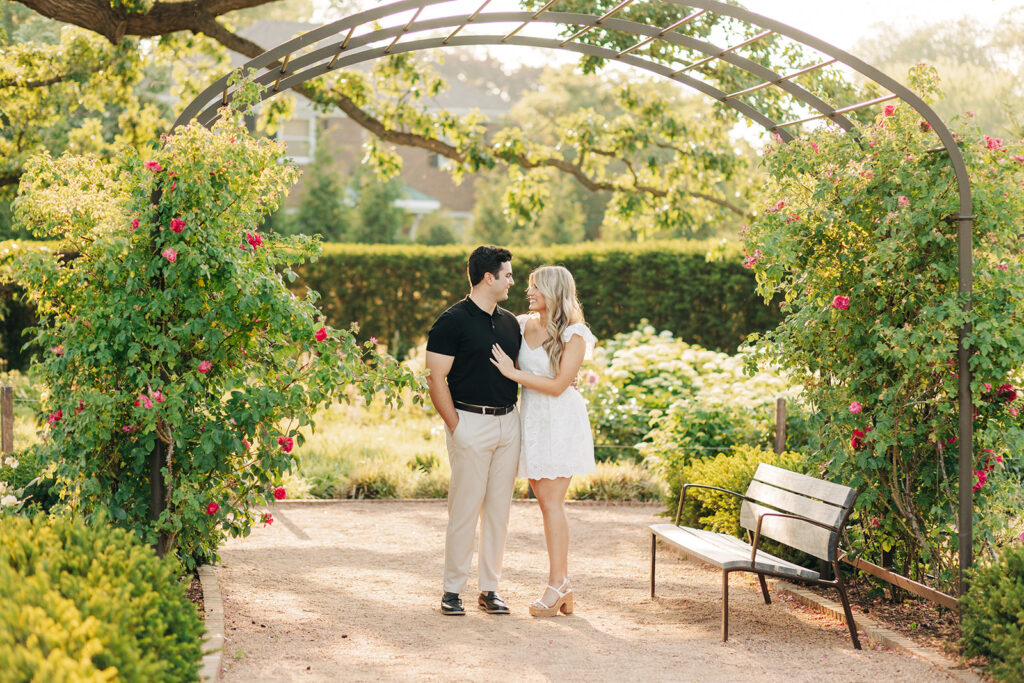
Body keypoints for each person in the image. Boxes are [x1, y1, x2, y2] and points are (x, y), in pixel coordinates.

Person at [489, 265, 596, 617]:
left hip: (560, 420)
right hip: (532, 419)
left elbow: (558, 385)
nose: (528, 292)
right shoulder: (521, 324)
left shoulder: (575, 332)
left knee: (552, 503)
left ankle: (558, 584)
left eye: (535, 287)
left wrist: (512, 373)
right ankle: (561, 586)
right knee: (543, 501)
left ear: (553, 291)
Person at [425, 245, 522, 616]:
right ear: (488, 277)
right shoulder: (451, 321)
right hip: (469, 423)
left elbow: (527, 367)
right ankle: (452, 590)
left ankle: (490, 590)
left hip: (508, 425)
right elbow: (435, 379)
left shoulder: (511, 322)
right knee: (464, 510)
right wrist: (456, 427)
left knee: (499, 511)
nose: (511, 280)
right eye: (508, 275)